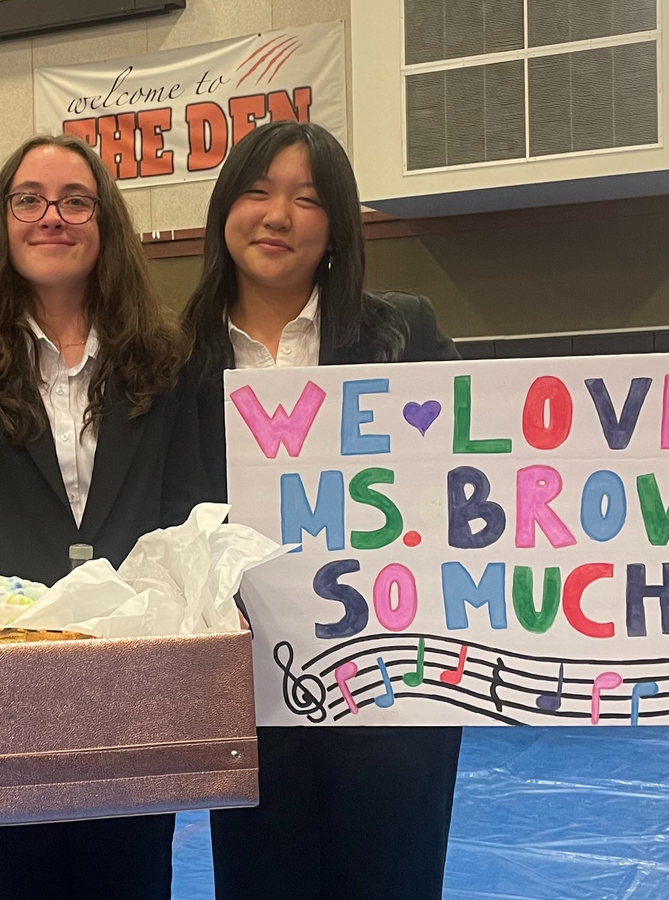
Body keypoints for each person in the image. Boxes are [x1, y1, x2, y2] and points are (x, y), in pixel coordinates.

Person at [0, 133, 201, 900]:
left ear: (105, 221)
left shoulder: (164, 358)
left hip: (131, 697)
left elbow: (187, 509)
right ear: (4, 219)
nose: (52, 216)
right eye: (30, 200)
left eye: (75, 200)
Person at [183, 121, 462, 900]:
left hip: (394, 687)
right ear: (224, 210)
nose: (278, 215)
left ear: (336, 226)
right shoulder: (176, 357)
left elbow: (478, 474)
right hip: (250, 689)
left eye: (307, 199)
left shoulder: (404, 333)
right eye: (257, 191)